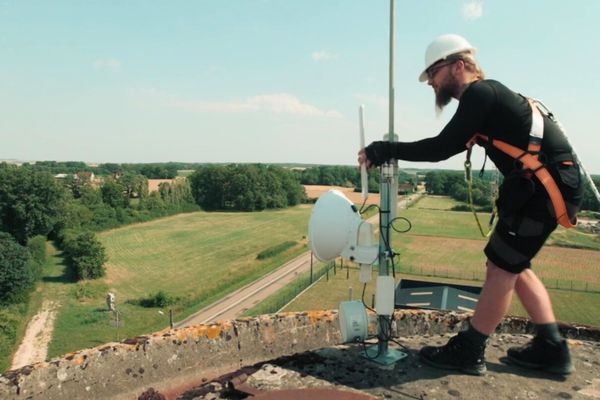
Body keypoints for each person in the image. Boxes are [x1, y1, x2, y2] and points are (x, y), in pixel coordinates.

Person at [358, 34, 583, 376]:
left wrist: (383, 149)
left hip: (541, 190)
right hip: (545, 186)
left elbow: (440, 148)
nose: (431, 81)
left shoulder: (480, 93)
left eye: (433, 72)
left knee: (501, 267)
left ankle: (470, 349)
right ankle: (551, 347)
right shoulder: (491, 95)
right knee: (514, 264)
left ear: (457, 66)